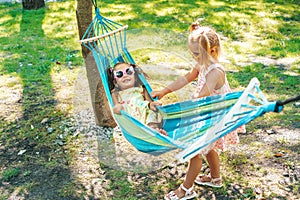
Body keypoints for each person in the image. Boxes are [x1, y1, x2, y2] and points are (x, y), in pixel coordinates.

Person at [151, 21, 246, 200]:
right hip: (207, 114)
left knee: (195, 152)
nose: (194, 57)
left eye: (197, 54)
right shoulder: (202, 63)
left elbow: (202, 96)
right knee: (209, 149)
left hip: (213, 117)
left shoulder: (216, 72)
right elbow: (186, 78)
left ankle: (186, 189)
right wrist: (165, 91)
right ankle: (215, 178)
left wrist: (178, 111)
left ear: (212, 51)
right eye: (192, 53)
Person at [107, 62, 167, 136]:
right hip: (132, 121)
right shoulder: (116, 93)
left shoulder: (142, 89)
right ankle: (154, 133)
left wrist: (152, 104)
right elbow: (116, 108)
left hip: (145, 114)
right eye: (119, 74)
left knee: (151, 115)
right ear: (115, 82)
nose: (125, 75)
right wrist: (118, 107)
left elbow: (149, 103)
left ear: (135, 77)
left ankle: (155, 132)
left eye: (129, 71)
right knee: (143, 123)